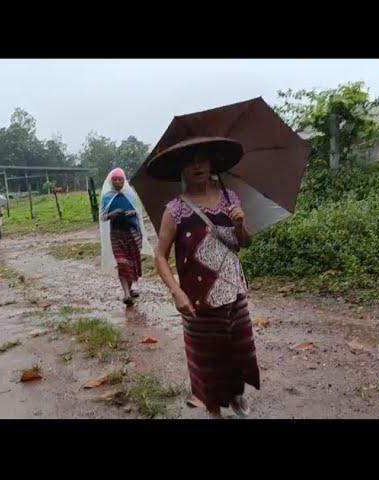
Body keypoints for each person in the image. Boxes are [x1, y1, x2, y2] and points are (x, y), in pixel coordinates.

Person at [152, 142, 260, 419]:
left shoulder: (230, 198)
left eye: (202, 160)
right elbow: (160, 256)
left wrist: (239, 223)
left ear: (213, 164)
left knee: (238, 349)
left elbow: (244, 243)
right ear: (182, 169)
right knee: (207, 357)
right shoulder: (175, 210)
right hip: (198, 298)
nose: (197, 166)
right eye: (190, 162)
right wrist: (177, 293)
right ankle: (214, 411)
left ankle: (236, 394)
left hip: (234, 291)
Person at [99, 168, 152, 306]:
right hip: (116, 234)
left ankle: (130, 288)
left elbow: (138, 212)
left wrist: (132, 213)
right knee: (122, 262)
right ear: (111, 182)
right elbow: (103, 217)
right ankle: (126, 294)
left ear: (124, 181)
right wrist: (113, 214)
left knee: (132, 262)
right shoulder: (107, 197)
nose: (118, 182)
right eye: (115, 179)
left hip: (132, 232)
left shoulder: (131, 195)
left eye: (120, 179)